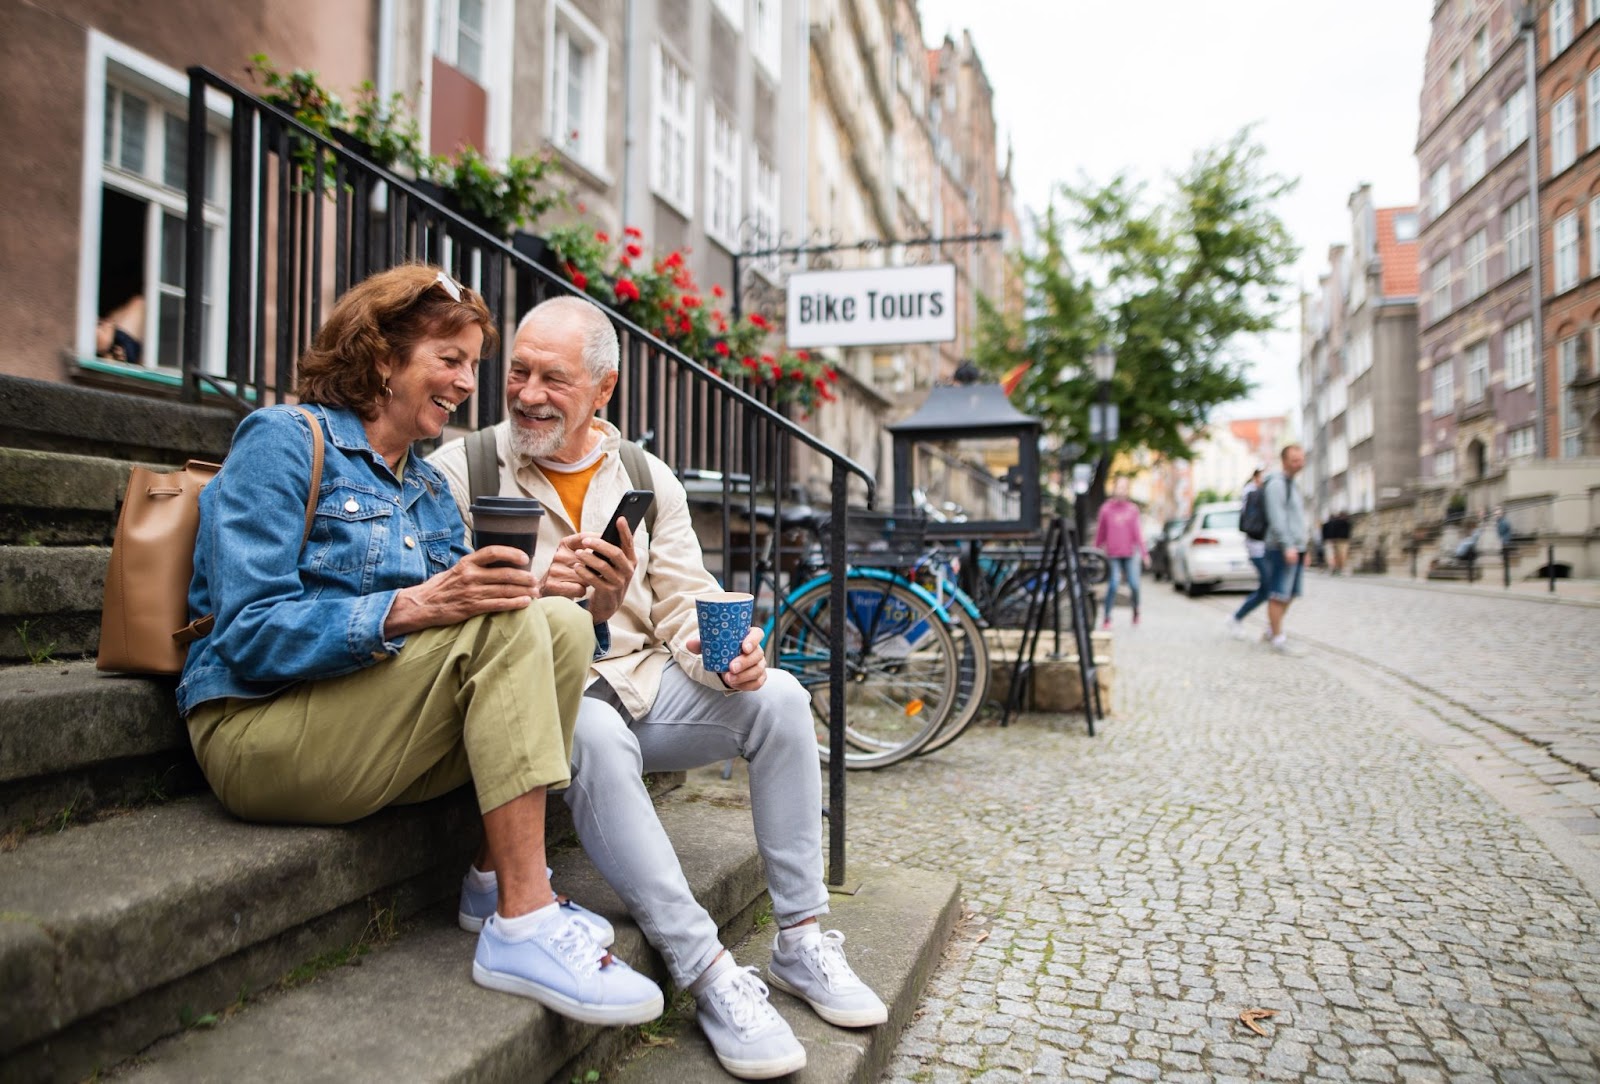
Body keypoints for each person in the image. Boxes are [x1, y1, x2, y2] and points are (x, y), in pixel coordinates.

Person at [178, 265, 662, 1026]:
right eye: (450, 359)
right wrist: (413, 605)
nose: (471, 382)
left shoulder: (431, 489)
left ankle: (487, 877)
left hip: (364, 722)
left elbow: (475, 637)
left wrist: (570, 592)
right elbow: (247, 635)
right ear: (381, 358)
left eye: (474, 364)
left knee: (560, 622)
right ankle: (524, 921)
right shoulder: (282, 442)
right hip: (258, 729)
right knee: (513, 622)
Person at [430, 295, 887, 1081]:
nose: (529, 393)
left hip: (643, 687)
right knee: (596, 732)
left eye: (554, 378)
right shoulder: (461, 469)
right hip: (545, 703)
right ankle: (706, 971)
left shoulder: (644, 475)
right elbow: (445, 611)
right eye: (519, 372)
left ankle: (802, 939)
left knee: (777, 695)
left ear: (602, 390)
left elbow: (685, 602)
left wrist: (733, 655)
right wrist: (552, 592)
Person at [1262, 444, 1310, 655]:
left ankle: (1273, 629)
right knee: (1278, 594)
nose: (1299, 463)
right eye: (1294, 460)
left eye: (1301, 459)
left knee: (1290, 593)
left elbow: (1297, 520)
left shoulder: (1293, 484)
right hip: (1281, 547)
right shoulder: (1276, 485)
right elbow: (1277, 517)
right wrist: (1287, 545)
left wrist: (1303, 548)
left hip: (1296, 547)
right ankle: (1278, 638)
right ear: (1284, 461)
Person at [1093, 475, 1147, 627]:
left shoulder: (1132, 510)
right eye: (1119, 487)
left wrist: (1144, 553)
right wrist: (1095, 552)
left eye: (1125, 487)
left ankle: (1136, 608)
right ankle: (1107, 617)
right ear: (1114, 488)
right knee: (1113, 584)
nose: (1121, 491)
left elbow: (1138, 533)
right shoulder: (1106, 509)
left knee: (1134, 584)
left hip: (1130, 553)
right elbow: (1100, 533)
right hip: (1113, 554)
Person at [1226, 467, 1269, 639]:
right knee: (1268, 587)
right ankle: (1237, 617)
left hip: (1262, 546)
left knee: (1269, 588)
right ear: (1256, 477)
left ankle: (1272, 627)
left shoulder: (1252, 492)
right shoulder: (1253, 493)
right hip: (1257, 546)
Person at [1322, 509, 1352, 575]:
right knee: (1335, 555)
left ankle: (1339, 568)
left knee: (1341, 555)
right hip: (1334, 541)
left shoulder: (1346, 523)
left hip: (1341, 540)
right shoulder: (1333, 524)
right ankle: (1335, 568)